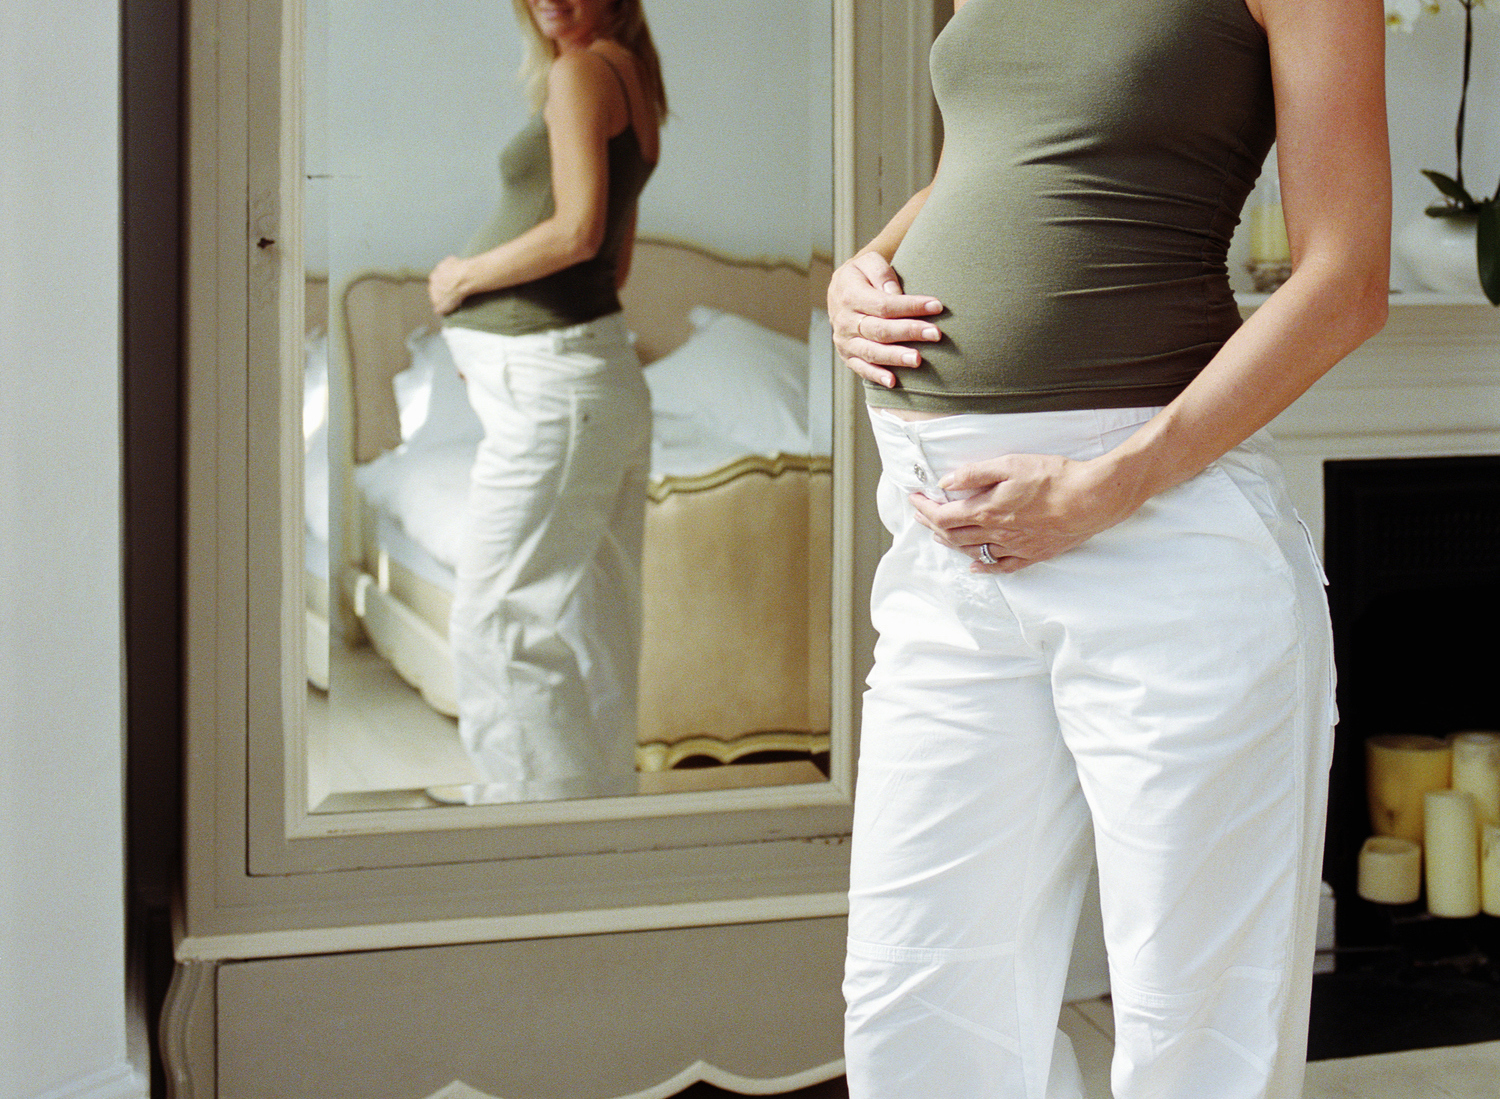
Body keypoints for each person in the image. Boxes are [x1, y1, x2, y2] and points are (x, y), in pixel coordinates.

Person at [826, 0, 1389, 1096]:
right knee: (917, 1007)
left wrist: (1109, 483)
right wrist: (874, 257)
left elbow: (1349, 279)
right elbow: (1015, 147)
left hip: (1161, 537)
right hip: (949, 556)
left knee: (1196, 1032)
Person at [426, 0, 665, 804]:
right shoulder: (635, 80)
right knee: (597, 629)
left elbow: (578, 234)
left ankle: (535, 838)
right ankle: (599, 836)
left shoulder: (580, 72)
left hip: (556, 386)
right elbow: (618, 264)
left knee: (497, 619)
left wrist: (464, 277)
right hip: (591, 381)